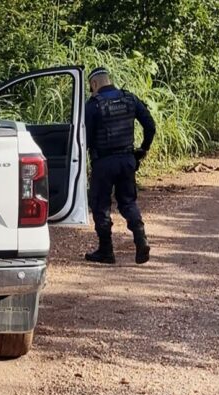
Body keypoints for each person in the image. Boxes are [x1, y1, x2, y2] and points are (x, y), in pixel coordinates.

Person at [84, 67, 156, 265]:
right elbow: (150, 126)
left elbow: (84, 139)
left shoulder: (93, 105)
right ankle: (141, 239)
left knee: (100, 205)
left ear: (94, 84)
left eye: (91, 87)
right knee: (128, 202)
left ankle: (106, 251)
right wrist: (143, 149)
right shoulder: (129, 98)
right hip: (126, 160)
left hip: (103, 163)